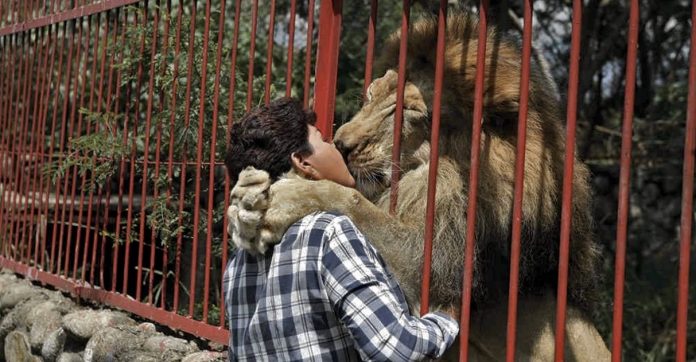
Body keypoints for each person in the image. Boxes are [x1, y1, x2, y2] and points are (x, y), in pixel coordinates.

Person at [223, 97, 459, 361]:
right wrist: (446, 320)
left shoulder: (238, 263)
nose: (338, 144)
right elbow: (394, 348)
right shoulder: (329, 232)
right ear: (303, 162)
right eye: (324, 140)